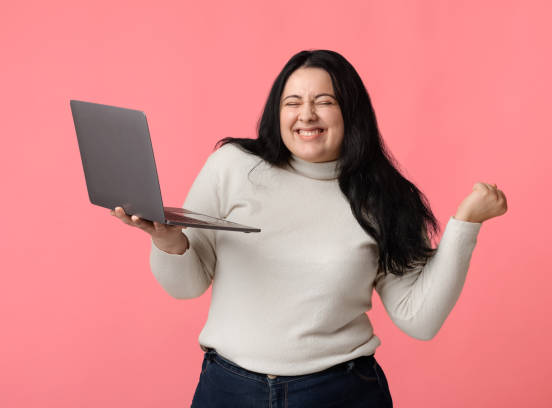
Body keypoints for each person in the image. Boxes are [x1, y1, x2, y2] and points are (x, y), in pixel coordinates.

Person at [111, 49, 508, 407]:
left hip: (339, 393)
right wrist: (167, 240)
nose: (306, 115)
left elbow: (418, 319)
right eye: (293, 102)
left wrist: (465, 224)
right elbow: (187, 285)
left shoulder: (386, 198)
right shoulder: (232, 167)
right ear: (276, 112)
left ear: (351, 112)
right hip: (228, 391)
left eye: (324, 102)